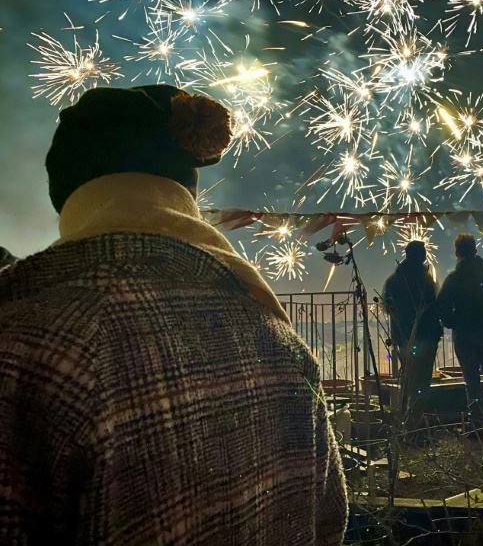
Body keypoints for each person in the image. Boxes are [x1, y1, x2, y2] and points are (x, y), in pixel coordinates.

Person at [0, 86, 347, 545]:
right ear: (186, 191)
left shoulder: (28, 345)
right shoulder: (277, 336)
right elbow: (328, 523)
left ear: (65, 192)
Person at [437, 233, 483, 429]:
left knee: (471, 380)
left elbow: (442, 303)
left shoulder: (454, 278)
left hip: (464, 334)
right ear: (475, 251)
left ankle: (476, 423)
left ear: (457, 253)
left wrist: (451, 321)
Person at [382, 240, 442, 433]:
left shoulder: (393, 280)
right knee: (421, 381)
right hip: (426, 335)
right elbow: (435, 306)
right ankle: (414, 424)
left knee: (407, 377)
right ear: (422, 256)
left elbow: (387, 307)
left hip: (403, 337)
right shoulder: (426, 281)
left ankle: (403, 420)